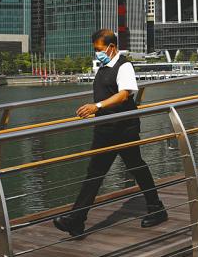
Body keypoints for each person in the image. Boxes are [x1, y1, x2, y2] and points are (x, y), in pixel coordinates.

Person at [53, 29, 168, 237]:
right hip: (105, 128)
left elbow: (124, 95)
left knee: (136, 166)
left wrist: (96, 106)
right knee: (95, 172)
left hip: (124, 127)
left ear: (111, 47)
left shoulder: (124, 66)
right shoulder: (104, 67)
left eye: (99, 49)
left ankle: (157, 208)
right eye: (95, 49)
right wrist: (97, 110)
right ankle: (77, 220)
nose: (97, 53)